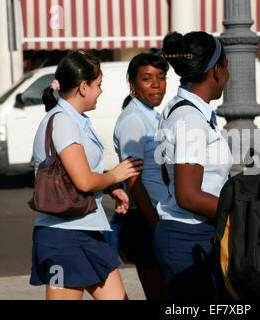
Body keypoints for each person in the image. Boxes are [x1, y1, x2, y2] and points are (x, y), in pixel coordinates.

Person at [29, 50, 143, 300]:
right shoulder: (63, 122)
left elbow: (79, 172)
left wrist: (109, 186)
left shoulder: (75, 120)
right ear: (83, 87)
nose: (101, 91)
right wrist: (114, 176)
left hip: (86, 230)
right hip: (63, 237)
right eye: (98, 85)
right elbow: (83, 180)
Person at [153, 31, 232, 300]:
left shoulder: (184, 109)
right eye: (227, 64)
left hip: (192, 234)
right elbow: (188, 195)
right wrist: (237, 212)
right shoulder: (190, 118)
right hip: (188, 237)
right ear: (217, 71)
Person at [106, 53, 169, 300]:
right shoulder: (133, 118)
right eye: (147, 78)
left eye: (161, 78)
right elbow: (133, 178)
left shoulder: (153, 115)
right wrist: (156, 225)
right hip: (146, 220)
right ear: (132, 84)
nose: (156, 84)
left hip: (158, 217)